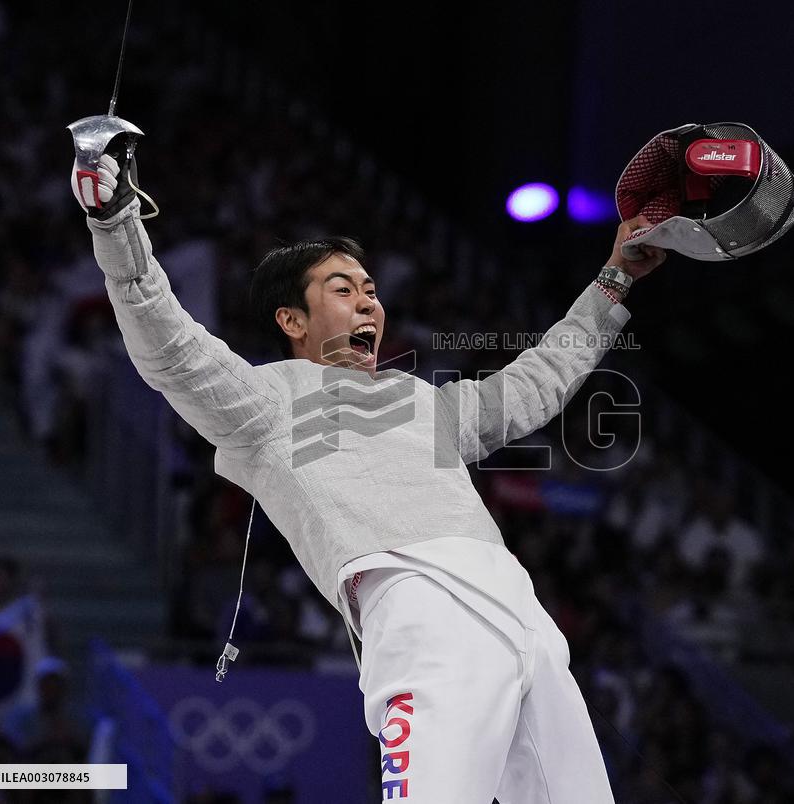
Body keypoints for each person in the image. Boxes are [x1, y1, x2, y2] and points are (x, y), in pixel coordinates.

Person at [72, 145, 666, 803]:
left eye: (372, 291)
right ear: (291, 320)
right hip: (421, 613)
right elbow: (170, 348)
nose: (368, 305)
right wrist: (115, 223)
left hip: (525, 621)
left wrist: (615, 278)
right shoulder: (267, 400)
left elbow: (539, 381)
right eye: (342, 290)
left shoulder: (426, 403)